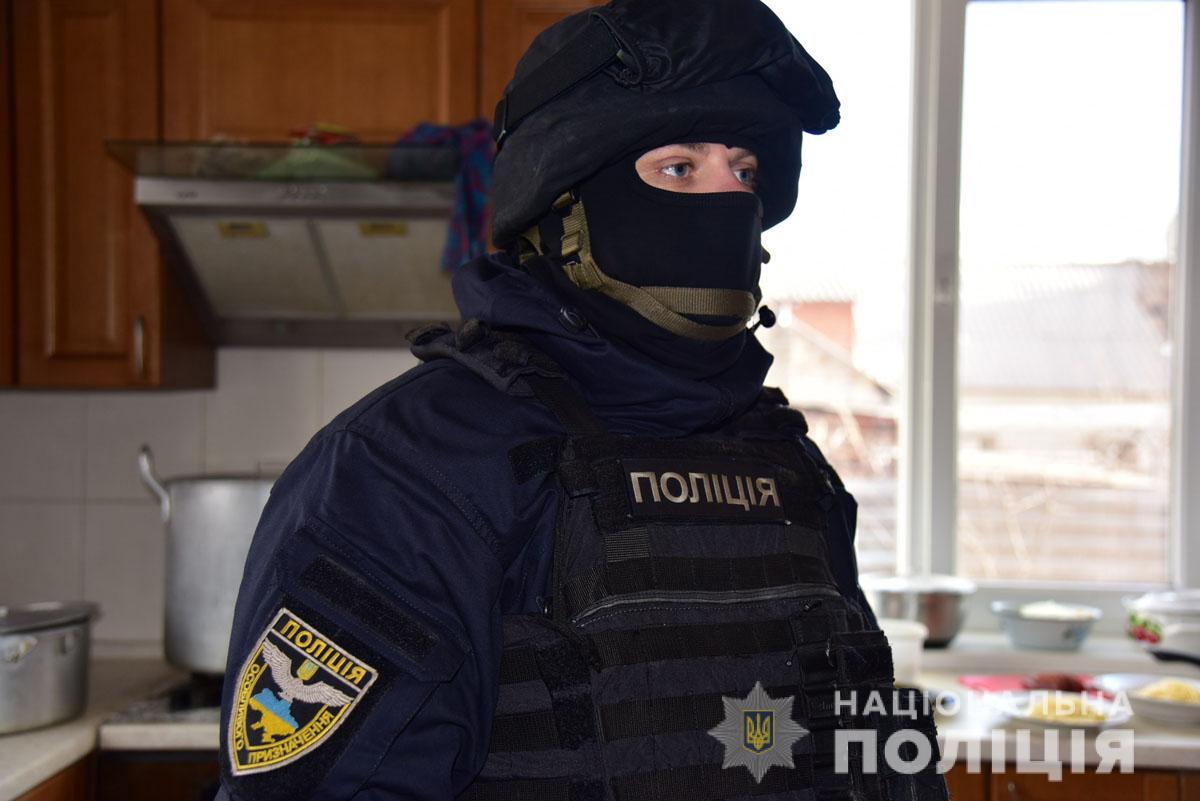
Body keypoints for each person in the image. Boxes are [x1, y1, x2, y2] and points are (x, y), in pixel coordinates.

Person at [213, 2, 949, 800]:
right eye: (679, 168)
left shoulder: (785, 459)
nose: (729, 201)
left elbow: (860, 750)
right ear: (565, 206)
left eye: (744, 171)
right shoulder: (407, 468)